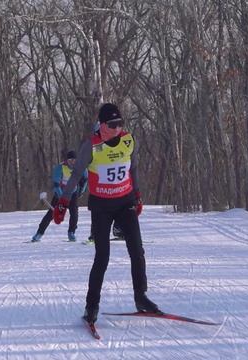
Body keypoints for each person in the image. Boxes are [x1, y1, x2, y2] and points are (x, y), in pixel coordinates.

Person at [53, 103, 159, 324]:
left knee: (137, 251)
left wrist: (137, 195)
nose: (117, 127)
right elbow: (76, 176)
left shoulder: (128, 140)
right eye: (112, 124)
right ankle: (91, 307)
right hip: (101, 207)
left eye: (120, 123)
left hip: (125, 202)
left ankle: (141, 297)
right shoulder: (91, 146)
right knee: (102, 257)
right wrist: (63, 202)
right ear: (101, 125)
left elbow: (133, 169)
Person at [31, 150, 87, 242]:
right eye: (70, 160)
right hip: (60, 194)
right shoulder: (60, 168)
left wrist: (81, 192)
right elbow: (56, 185)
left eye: (75, 160)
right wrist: (61, 197)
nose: (73, 162)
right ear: (66, 161)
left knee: (74, 213)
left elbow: (84, 181)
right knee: (51, 214)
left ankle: (71, 233)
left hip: (73, 193)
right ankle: (39, 234)